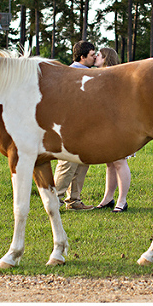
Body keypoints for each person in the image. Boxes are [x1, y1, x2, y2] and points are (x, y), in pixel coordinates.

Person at [53, 41, 96, 210]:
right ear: (82, 56)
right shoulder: (73, 73)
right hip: (71, 126)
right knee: (67, 163)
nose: (95, 57)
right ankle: (55, 198)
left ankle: (74, 200)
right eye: (92, 55)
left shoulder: (84, 72)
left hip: (85, 126)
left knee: (82, 162)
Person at [93, 47, 132, 213]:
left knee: (119, 161)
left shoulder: (114, 74)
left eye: (99, 55)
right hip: (105, 123)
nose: (95, 57)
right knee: (109, 162)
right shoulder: (101, 74)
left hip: (117, 124)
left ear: (106, 58)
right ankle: (108, 197)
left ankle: (122, 200)